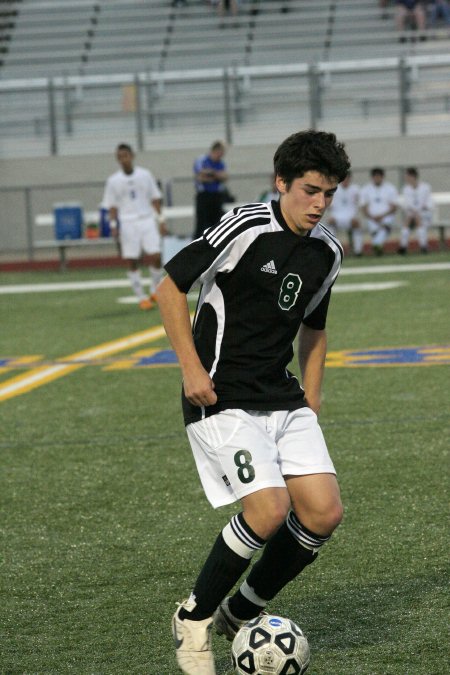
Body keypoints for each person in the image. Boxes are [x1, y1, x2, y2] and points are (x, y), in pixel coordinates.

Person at [156, 130, 351, 675]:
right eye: (310, 190)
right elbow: (169, 288)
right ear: (281, 182)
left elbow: (314, 331)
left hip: (282, 398)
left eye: (329, 194)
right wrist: (191, 368)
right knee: (268, 510)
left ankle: (240, 612)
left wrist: (310, 400)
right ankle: (193, 619)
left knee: (323, 512)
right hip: (220, 396)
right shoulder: (245, 225)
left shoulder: (327, 252)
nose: (319, 204)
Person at [102, 143, 167, 310]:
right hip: (128, 221)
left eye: (126, 155)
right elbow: (112, 206)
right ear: (117, 159)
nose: (124, 159)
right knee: (132, 260)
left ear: (132, 156)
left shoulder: (145, 175)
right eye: (120, 157)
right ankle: (141, 297)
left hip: (146, 219)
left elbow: (155, 198)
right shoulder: (113, 181)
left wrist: (161, 220)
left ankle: (155, 290)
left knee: (156, 255)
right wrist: (113, 225)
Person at [359, 167, 399, 255]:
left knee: (385, 226)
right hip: (371, 217)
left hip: (387, 216)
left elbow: (394, 207)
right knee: (377, 228)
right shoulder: (366, 189)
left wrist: (382, 216)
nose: (377, 179)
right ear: (372, 177)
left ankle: (376, 245)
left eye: (379, 176)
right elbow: (363, 207)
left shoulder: (390, 188)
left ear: (382, 177)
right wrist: (372, 217)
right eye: (375, 177)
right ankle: (378, 246)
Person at [193, 140, 228, 239]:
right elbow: (200, 176)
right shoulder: (202, 160)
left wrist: (212, 174)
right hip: (204, 196)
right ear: (215, 150)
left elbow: (224, 176)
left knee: (217, 223)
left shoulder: (221, 163)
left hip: (216, 196)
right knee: (201, 224)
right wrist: (215, 175)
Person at [326, 171, 363, 256]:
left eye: (347, 178)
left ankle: (358, 251)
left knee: (357, 224)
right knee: (330, 224)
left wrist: (357, 216)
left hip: (350, 217)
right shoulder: (334, 189)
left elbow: (361, 204)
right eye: (344, 179)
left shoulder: (356, 189)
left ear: (350, 179)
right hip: (337, 216)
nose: (346, 181)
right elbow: (329, 205)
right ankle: (331, 250)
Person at [398, 167, 434, 254]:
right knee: (408, 220)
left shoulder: (426, 187)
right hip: (412, 215)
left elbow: (429, 203)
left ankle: (423, 246)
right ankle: (403, 247)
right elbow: (407, 204)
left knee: (417, 219)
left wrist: (419, 210)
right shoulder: (406, 189)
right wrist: (413, 211)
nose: (406, 178)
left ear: (413, 176)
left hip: (425, 214)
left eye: (407, 176)